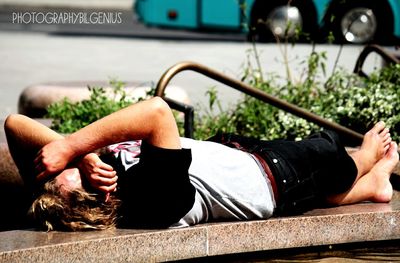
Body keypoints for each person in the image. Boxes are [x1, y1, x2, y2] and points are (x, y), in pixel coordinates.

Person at [4, 97, 399, 231]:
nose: (60, 162)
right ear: (102, 192)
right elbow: (158, 112)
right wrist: (73, 143)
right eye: (69, 170)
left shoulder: (72, 195)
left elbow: (14, 124)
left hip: (239, 161)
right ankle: (367, 164)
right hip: (276, 176)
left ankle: (374, 186)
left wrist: (82, 156)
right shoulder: (149, 196)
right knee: (330, 156)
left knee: (320, 190)